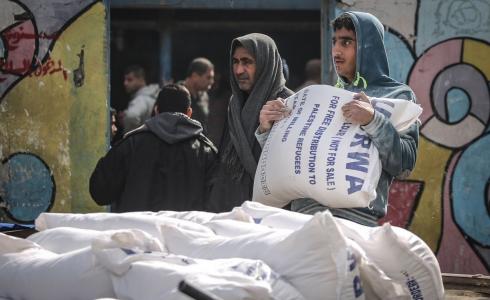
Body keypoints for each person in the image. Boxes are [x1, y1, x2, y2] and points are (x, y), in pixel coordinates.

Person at [257, 12, 419, 226]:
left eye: (346, 42)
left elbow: (404, 164)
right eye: (334, 42)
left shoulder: (396, 96)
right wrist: (268, 130)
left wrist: (373, 121)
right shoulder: (323, 98)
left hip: (355, 223)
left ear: (367, 47)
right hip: (303, 221)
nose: (336, 51)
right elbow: (298, 159)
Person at [90, 84, 218, 212]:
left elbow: (100, 193)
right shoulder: (206, 152)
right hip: (186, 231)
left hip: (137, 230)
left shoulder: (130, 145)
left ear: (156, 110)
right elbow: (218, 202)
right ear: (189, 113)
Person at [208, 33, 293, 212]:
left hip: (269, 212)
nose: (238, 70)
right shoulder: (235, 104)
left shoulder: (288, 104)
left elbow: (290, 169)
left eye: (247, 62)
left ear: (265, 64)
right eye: (235, 62)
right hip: (229, 208)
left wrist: (265, 131)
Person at [119, 65, 160, 134]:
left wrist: (126, 122)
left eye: (130, 80)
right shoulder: (153, 96)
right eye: (125, 80)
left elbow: (132, 116)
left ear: (141, 80)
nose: (125, 83)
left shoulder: (141, 99)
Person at [179, 57, 215, 134]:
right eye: (208, 77)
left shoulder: (204, 96)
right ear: (195, 76)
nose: (212, 81)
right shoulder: (174, 94)